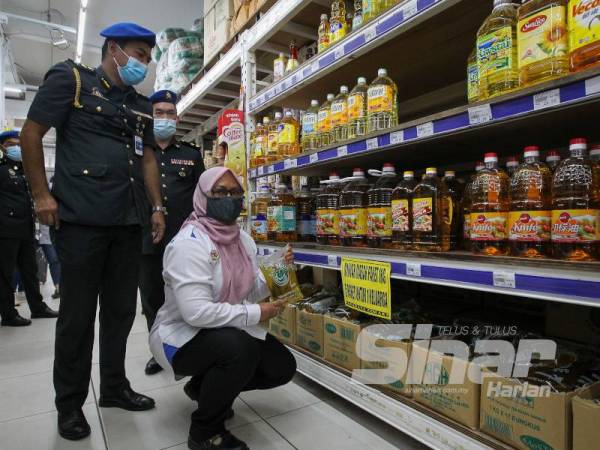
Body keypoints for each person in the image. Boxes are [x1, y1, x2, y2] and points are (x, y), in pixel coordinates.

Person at [20, 23, 166, 441]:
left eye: (148, 57)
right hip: (81, 222)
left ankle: (115, 387)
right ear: (114, 49)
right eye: (139, 54)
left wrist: (156, 208)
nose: (144, 63)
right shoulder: (73, 80)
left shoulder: (139, 105)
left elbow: (150, 160)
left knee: (120, 313)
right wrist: (41, 196)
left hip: (127, 222)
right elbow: (32, 134)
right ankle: (69, 405)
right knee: (77, 319)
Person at [150, 167, 296, 450]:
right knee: (240, 349)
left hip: (224, 330)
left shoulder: (243, 240)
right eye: (219, 192)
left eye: (235, 192)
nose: (228, 198)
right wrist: (258, 313)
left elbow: (248, 291)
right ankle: (205, 431)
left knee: (281, 367)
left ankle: (202, 388)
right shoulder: (189, 244)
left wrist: (275, 270)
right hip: (181, 336)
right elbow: (197, 313)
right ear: (202, 197)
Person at [139, 89, 205, 376]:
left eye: (169, 113)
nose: (164, 118)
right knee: (152, 298)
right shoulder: (139, 152)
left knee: (187, 295)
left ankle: (191, 347)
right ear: (150, 117)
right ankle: (158, 349)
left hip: (183, 241)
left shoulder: (190, 154)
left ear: (177, 118)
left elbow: (202, 197)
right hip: (147, 240)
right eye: (158, 113)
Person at [0, 130, 58, 327]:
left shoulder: (24, 170)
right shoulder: (1, 169)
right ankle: (8, 313)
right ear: (2, 147)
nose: (16, 147)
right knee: (5, 273)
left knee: (30, 270)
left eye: (18, 143)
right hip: (5, 229)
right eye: (10, 144)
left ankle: (38, 307)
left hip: (25, 228)